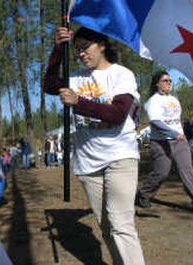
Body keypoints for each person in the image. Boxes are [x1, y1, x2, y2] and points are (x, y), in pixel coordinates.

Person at [44, 26, 145, 265]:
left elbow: (118, 114)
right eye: (77, 50)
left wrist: (79, 102)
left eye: (85, 47)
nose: (81, 54)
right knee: (107, 227)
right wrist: (58, 50)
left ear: (101, 45)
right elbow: (49, 84)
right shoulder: (76, 78)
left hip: (120, 157)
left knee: (121, 225)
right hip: (88, 164)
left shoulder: (122, 74)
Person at [135, 71, 193, 215]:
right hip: (161, 142)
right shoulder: (153, 101)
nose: (169, 83)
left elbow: (176, 120)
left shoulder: (174, 99)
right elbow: (155, 122)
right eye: (165, 81)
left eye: (170, 81)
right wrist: (173, 133)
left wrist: (181, 135)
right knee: (161, 173)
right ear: (157, 83)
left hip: (180, 142)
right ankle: (143, 194)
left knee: (188, 172)